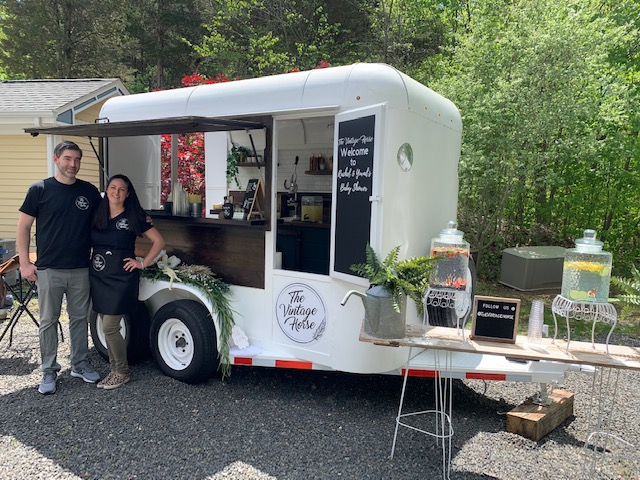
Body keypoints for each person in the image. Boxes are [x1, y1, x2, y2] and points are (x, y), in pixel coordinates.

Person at [17, 141, 103, 394]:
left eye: (76, 159)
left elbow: (104, 220)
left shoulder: (88, 191)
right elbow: (23, 227)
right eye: (67, 158)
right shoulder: (40, 189)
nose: (72, 164)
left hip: (80, 269)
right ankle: (48, 371)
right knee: (48, 321)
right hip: (49, 269)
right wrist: (24, 263)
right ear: (56, 159)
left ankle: (80, 364)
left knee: (78, 319)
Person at [90, 174, 165, 390]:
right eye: (113, 187)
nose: (116, 192)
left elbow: (159, 241)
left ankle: (121, 372)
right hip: (99, 276)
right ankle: (115, 369)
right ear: (107, 190)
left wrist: (142, 263)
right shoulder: (98, 213)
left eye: (122, 189)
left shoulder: (134, 216)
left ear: (128, 193)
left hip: (122, 277)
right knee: (107, 327)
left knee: (110, 326)